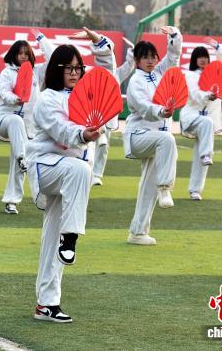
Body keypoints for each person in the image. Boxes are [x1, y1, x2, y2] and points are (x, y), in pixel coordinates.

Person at [27, 32, 115, 323]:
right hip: (46, 167)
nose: (75, 73)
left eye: (79, 68)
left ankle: (46, 304)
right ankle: (72, 236)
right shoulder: (46, 99)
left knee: (52, 238)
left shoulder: (87, 95)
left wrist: (100, 44)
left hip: (71, 178)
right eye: (69, 68)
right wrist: (83, 134)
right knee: (80, 169)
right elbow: (60, 130)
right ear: (57, 69)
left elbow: (108, 77)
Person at [123, 26, 183, 245]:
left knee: (148, 186)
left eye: (153, 57)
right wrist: (161, 111)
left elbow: (173, 56)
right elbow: (142, 106)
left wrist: (174, 35)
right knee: (168, 140)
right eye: (145, 57)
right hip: (138, 136)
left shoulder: (159, 73)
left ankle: (137, 232)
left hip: (156, 141)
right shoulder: (136, 81)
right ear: (137, 61)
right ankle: (165, 187)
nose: (150, 61)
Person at [0, 32, 53, 214]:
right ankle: (23, 157)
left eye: (27, 53)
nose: (24, 56)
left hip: (28, 127)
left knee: (19, 163)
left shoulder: (37, 72)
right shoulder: (7, 73)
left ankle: (12, 202)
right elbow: (4, 92)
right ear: (14, 55)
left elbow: (53, 59)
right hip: (5, 120)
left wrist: (42, 40)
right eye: (20, 53)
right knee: (16, 122)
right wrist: (15, 99)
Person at [179, 38, 222, 200]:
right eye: (199, 57)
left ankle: (195, 190)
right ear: (194, 60)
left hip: (208, 124)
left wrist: (218, 47)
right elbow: (195, 93)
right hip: (192, 118)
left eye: (205, 57)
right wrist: (208, 95)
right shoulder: (190, 75)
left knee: (201, 157)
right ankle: (206, 154)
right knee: (206, 125)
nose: (203, 59)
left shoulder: (216, 73)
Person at [91, 38, 137, 186]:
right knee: (90, 144)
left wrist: (132, 51)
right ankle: (87, 170)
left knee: (104, 146)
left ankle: (97, 174)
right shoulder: (92, 74)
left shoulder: (117, 74)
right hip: (93, 115)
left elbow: (129, 66)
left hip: (109, 116)